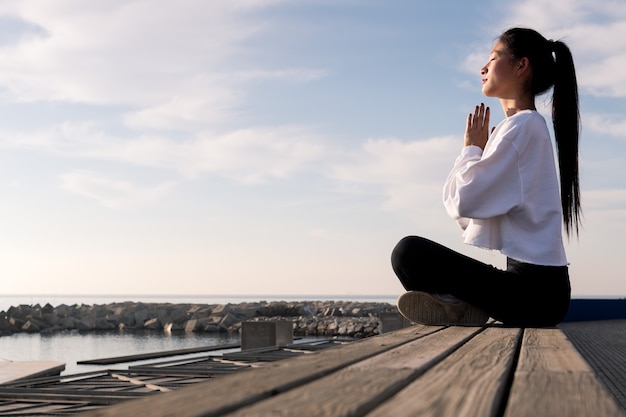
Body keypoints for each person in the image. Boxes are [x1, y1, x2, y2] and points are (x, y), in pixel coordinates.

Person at [391, 27, 581, 327]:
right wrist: (480, 154)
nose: (483, 67)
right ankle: (459, 306)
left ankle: (458, 305)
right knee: (408, 255)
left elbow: (462, 202)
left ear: (521, 66)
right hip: (540, 293)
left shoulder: (522, 127)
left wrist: (470, 151)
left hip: (534, 295)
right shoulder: (525, 127)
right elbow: (471, 216)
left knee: (407, 253)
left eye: (494, 58)